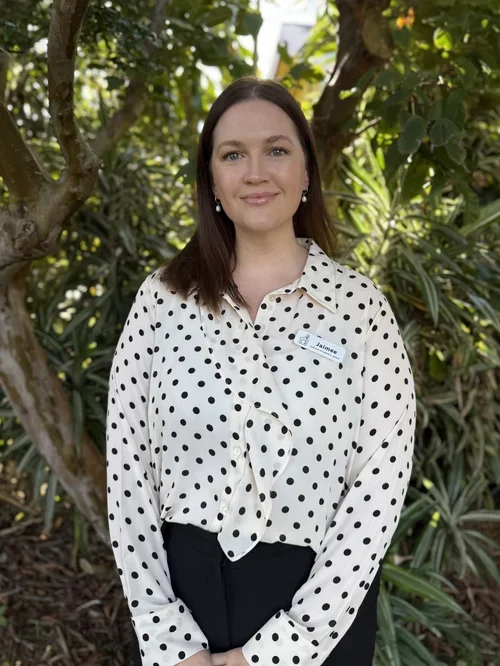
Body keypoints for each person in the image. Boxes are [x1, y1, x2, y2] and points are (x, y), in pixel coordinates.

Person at [106, 76, 416, 666]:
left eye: (276, 150)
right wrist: (168, 639)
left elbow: (379, 485)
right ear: (213, 180)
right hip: (180, 605)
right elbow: (128, 473)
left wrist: (283, 648)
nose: (255, 172)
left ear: (306, 173)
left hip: (320, 613)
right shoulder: (161, 302)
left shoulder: (360, 311)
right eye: (233, 154)